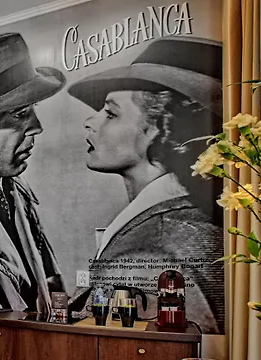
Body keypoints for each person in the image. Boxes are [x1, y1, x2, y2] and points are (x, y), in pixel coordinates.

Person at [68, 37, 224, 333]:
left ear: (159, 129)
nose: (90, 121)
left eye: (111, 113)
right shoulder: (192, 219)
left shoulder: (152, 246)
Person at [0, 33, 66, 315]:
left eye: (33, 112)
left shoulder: (17, 193)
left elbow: (46, 279)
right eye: (20, 114)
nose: (37, 127)